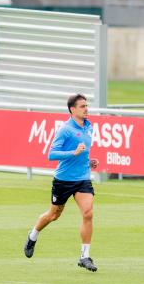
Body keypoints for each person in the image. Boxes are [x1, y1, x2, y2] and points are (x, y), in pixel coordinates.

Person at [23, 94, 99, 272]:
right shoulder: (65, 129)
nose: (86, 109)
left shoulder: (89, 127)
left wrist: (89, 161)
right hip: (63, 180)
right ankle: (33, 235)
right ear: (72, 109)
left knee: (88, 213)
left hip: (83, 178)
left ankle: (84, 256)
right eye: (82, 106)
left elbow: (83, 153)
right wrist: (73, 152)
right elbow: (52, 154)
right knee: (53, 215)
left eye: (87, 105)